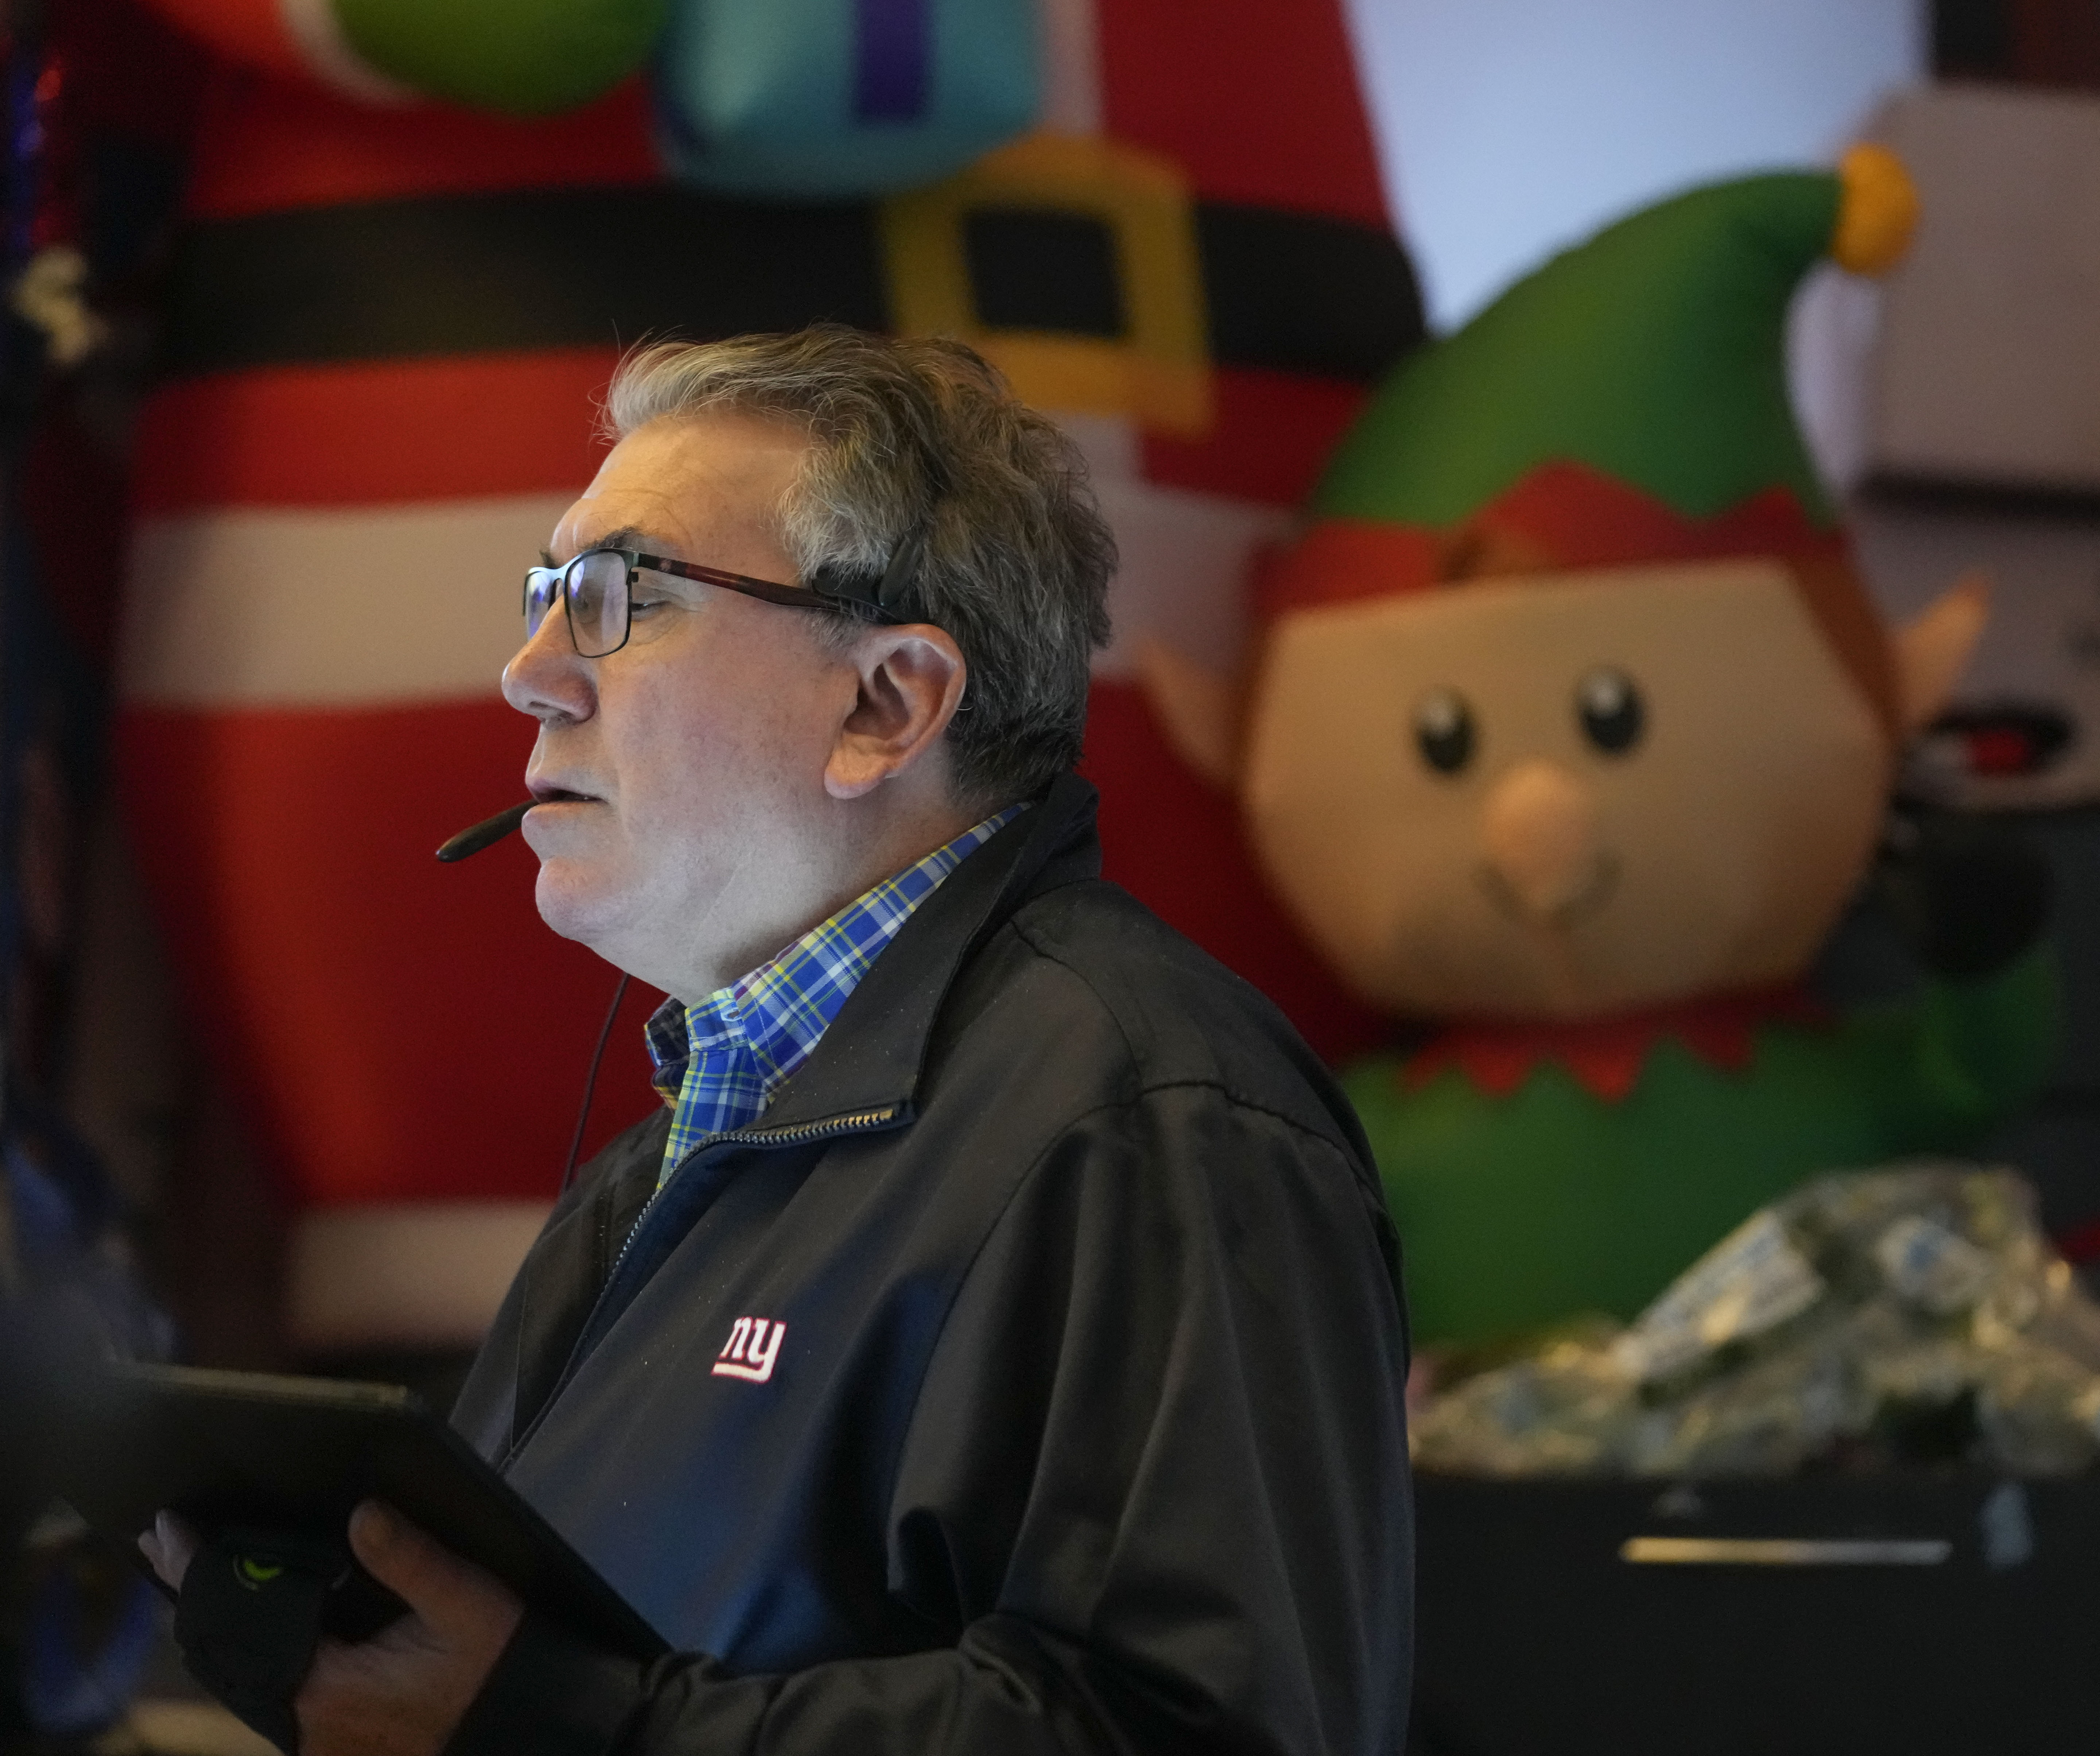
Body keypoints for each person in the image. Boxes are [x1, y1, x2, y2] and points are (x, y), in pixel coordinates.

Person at [145, 326, 1414, 1756]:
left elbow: (1202, 1735)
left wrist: (559, 1725)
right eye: (548, 590)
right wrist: (361, 1654)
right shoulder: (656, 1167)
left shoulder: (1158, 1120)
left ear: (886, 704)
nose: (529, 671)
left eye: (622, 597)